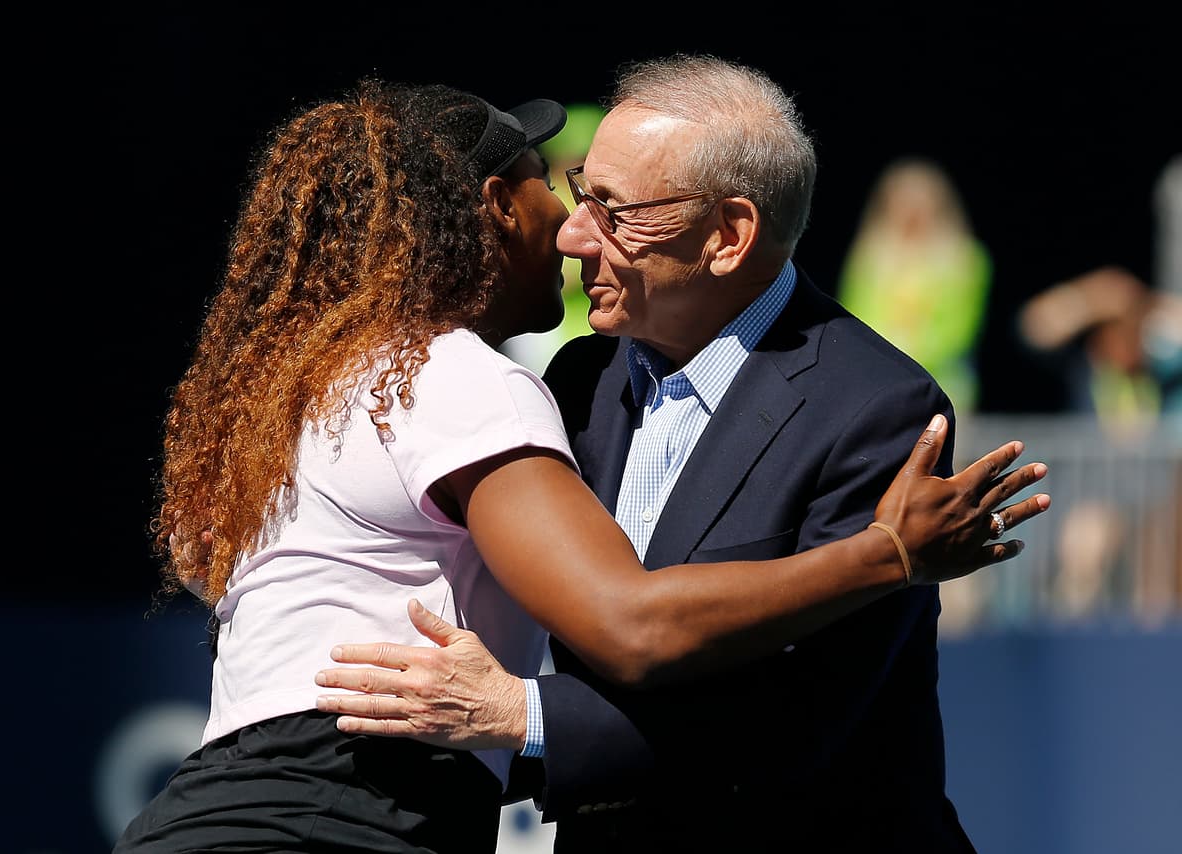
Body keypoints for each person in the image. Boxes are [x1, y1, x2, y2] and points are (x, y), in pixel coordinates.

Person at [117, 75, 1048, 853]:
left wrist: (523, 717)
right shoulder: (573, 379)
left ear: (728, 234)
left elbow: (795, 720)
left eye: (613, 210)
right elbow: (625, 628)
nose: (573, 232)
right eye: (572, 189)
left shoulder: (875, 408)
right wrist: (887, 552)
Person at [837, 156, 993, 414]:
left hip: (943, 383)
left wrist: (907, 354)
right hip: (876, 383)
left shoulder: (964, 259)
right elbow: (854, 315)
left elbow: (959, 329)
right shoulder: (870, 256)